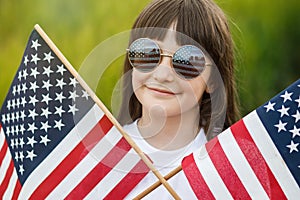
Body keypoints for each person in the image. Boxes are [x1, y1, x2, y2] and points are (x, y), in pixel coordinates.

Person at [117, 0, 240, 198]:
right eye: (148, 53)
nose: (163, 74)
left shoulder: (227, 170)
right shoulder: (100, 151)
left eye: (187, 61)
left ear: (214, 80)